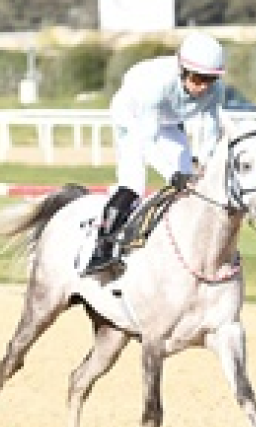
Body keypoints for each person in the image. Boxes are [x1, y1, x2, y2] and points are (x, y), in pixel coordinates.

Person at [83, 31, 228, 275]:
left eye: (210, 79)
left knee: (190, 182)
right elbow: (147, 142)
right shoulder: (156, 84)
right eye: (198, 78)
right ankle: (101, 249)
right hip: (132, 118)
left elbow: (211, 132)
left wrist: (202, 162)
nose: (204, 87)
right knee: (134, 183)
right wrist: (171, 174)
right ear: (182, 70)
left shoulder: (216, 91)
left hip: (168, 121)